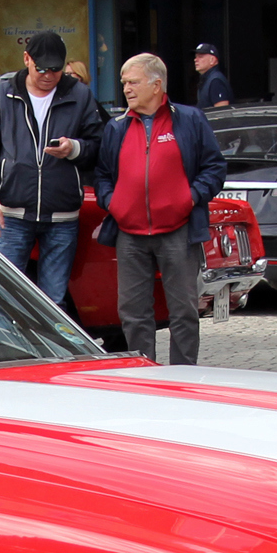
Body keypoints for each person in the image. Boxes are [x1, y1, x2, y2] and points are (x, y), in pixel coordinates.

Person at [95, 53, 226, 365]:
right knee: (133, 312)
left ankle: (182, 374)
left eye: (133, 82)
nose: (126, 89)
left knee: (183, 310)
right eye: (124, 83)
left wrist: (189, 198)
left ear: (156, 86)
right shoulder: (116, 127)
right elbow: (101, 175)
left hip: (178, 230)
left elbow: (214, 168)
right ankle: (145, 373)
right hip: (129, 233)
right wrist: (113, 203)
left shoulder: (190, 120)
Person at [0, 33, 104, 310]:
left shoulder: (79, 94)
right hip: (13, 212)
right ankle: (5, 340)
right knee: (2, 297)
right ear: (26, 59)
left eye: (55, 69)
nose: (49, 75)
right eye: (42, 68)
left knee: (54, 301)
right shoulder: (3, 94)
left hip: (62, 213)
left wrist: (74, 148)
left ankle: (47, 342)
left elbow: (99, 146)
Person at [192, 43, 234, 109]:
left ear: (212, 60)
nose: (195, 60)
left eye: (200, 56)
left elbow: (222, 111)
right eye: (195, 57)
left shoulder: (216, 81)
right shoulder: (207, 80)